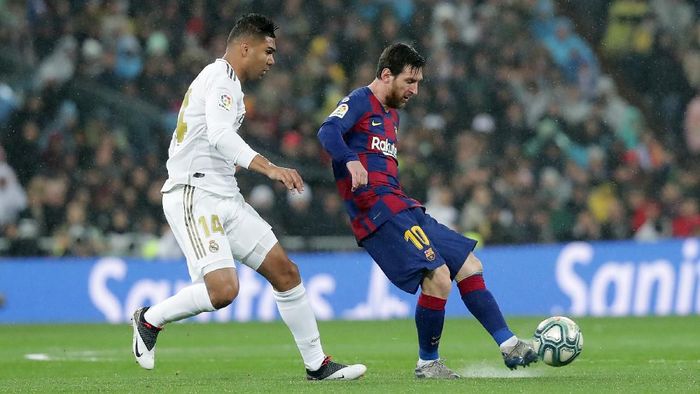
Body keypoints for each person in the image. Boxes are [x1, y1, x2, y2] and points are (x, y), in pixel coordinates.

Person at [131, 13, 366, 381]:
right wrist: (269, 167)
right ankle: (149, 319)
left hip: (224, 193)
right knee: (223, 290)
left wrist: (232, 164)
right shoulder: (223, 79)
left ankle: (317, 364)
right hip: (196, 193)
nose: (272, 60)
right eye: (267, 51)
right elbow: (220, 137)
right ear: (245, 47)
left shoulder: (224, 84)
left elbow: (211, 138)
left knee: (285, 272)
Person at [317, 43, 537, 379]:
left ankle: (508, 344)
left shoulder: (393, 115)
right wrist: (349, 160)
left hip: (403, 205)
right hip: (377, 211)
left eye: (418, 82)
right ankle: (427, 363)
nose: (414, 90)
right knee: (438, 277)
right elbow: (327, 130)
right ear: (386, 74)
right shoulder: (361, 100)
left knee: (469, 264)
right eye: (409, 81)